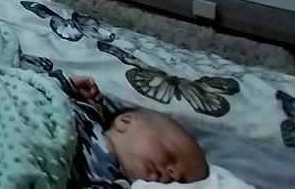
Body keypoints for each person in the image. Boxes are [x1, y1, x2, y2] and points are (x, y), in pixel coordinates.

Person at [31, 59, 209, 187]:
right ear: (125, 122)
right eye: (170, 155)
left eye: (181, 182)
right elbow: (40, 86)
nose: (174, 174)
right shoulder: (88, 113)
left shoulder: (115, 184)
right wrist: (69, 86)